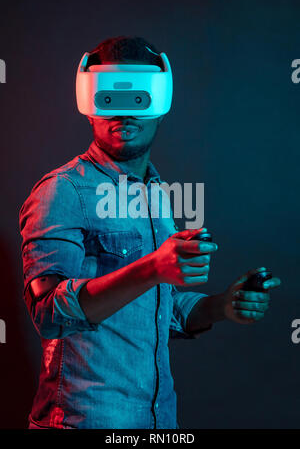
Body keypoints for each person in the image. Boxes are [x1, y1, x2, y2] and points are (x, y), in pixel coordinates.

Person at [19, 36, 281, 429]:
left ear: (160, 105)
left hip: (157, 421)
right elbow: (49, 314)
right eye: (109, 98)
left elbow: (155, 308)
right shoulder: (63, 191)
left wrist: (222, 306)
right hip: (87, 420)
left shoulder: (155, 194)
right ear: (89, 105)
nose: (124, 113)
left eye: (138, 98)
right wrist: (153, 268)